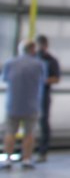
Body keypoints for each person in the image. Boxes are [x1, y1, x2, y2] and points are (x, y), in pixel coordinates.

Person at [3, 39, 47, 170]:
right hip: (31, 104)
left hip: (13, 103)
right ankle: (26, 159)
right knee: (29, 133)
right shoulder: (39, 64)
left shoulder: (10, 63)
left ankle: (8, 159)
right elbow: (43, 80)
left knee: (10, 132)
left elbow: (5, 79)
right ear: (33, 50)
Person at [35, 34, 61, 162]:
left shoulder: (51, 60)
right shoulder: (32, 58)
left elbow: (56, 79)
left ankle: (42, 151)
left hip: (44, 94)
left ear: (46, 46)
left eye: (42, 46)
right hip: (30, 94)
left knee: (43, 122)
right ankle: (24, 152)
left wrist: (44, 80)